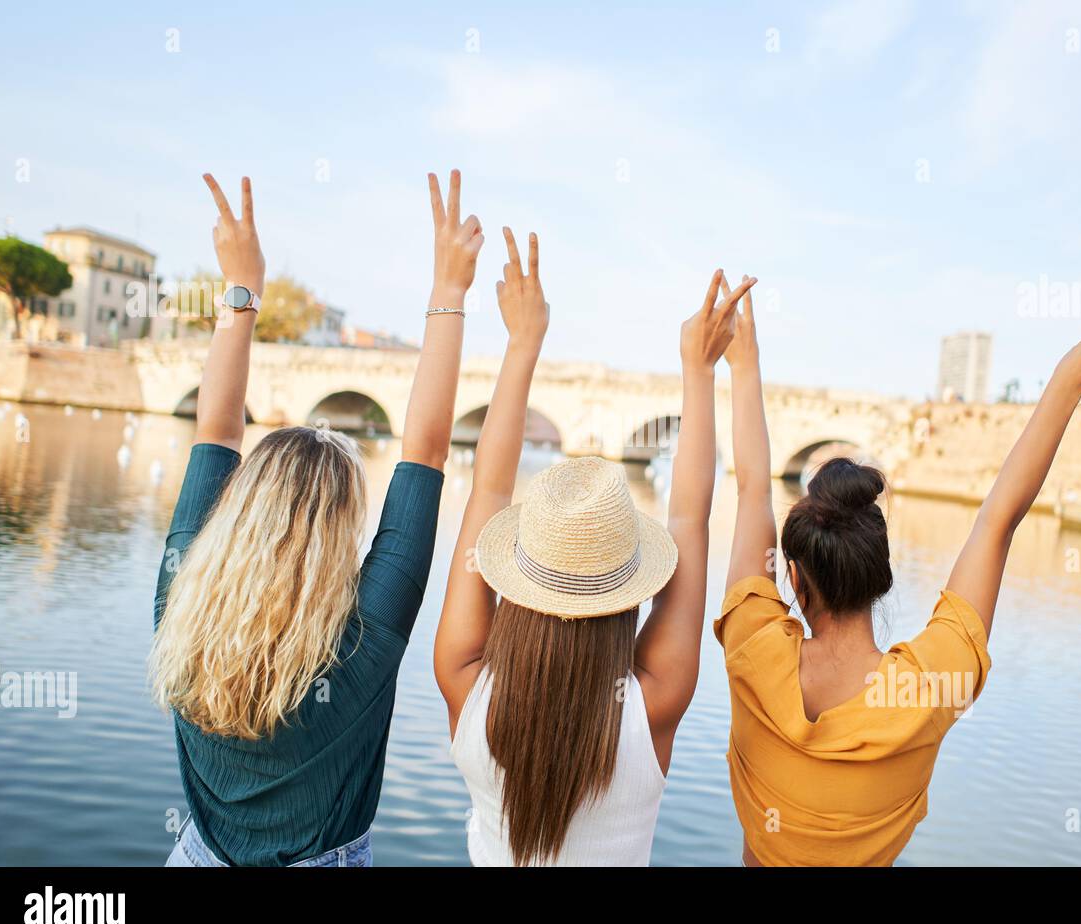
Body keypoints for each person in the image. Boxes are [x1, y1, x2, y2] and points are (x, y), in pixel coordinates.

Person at [716, 294, 1081, 866]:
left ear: (794, 580)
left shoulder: (753, 652)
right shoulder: (924, 690)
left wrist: (742, 364)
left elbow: (752, 488)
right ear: (881, 573)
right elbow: (997, 520)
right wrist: (1063, 389)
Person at [152, 169, 483, 866]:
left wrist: (242, 291)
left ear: (239, 512)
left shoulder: (180, 598)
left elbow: (214, 432)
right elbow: (423, 450)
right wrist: (449, 292)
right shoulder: (362, 645)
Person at [433, 235, 755, 866]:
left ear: (519, 577)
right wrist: (700, 370)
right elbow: (689, 519)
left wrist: (522, 342)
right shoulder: (653, 704)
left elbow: (488, 490)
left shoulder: (464, 680)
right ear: (627, 590)